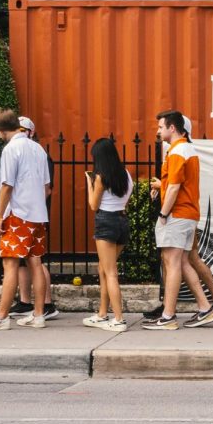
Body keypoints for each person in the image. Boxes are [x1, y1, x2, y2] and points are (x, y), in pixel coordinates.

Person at [142, 116, 213, 322]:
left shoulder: (177, 151)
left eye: (161, 127)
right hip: (188, 213)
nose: (158, 131)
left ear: (173, 128)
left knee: (175, 262)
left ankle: (169, 315)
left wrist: (163, 213)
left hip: (178, 214)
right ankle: (206, 305)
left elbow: (175, 186)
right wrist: (162, 187)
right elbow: (176, 184)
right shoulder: (188, 150)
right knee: (184, 261)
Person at [0, 109, 52, 331]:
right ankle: (38, 314)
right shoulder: (38, 149)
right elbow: (46, 188)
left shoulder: (11, 149)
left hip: (18, 214)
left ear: (0, 130)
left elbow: (7, 186)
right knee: (36, 263)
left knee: (10, 265)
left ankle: (1, 317)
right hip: (38, 214)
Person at [10, 116, 59, 321]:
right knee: (21, 260)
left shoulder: (39, 154)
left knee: (35, 260)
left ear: (30, 132)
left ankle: (47, 303)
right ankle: (24, 302)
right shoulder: (20, 151)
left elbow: (46, 188)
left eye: (22, 129)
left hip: (32, 214)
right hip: (20, 212)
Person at [83, 136, 131, 332]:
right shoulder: (126, 174)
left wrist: (89, 181)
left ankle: (118, 319)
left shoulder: (100, 177)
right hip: (122, 221)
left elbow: (93, 205)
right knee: (103, 268)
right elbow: (126, 201)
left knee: (110, 272)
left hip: (106, 222)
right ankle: (102, 314)